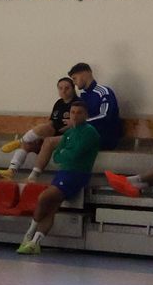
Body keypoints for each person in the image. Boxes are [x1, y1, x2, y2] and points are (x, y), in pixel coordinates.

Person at [15, 109, 102, 255]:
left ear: (86, 115)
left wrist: (65, 153)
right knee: (51, 208)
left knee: (44, 197)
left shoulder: (89, 132)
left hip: (76, 174)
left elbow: (75, 154)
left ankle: (29, 233)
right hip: (63, 173)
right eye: (72, 112)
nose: (75, 115)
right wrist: (65, 153)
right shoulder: (69, 133)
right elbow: (57, 156)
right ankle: (35, 242)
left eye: (79, 113)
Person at [0, 76, 75, 178]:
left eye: (67, 88)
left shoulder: (77, 104)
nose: (63, 91)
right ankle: (11, 171)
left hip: (67, 137)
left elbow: (81, 124)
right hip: (53, 133)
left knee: (47, 140)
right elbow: (51, 122)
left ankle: (32, 176)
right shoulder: (59, 103)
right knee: (28, 143)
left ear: (73, 88)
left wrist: (72, 124)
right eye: (60, 88)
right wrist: (39, 136)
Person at [70, 62, 124, 150]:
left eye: (74, 78)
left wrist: (82, 122)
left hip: (106, 136)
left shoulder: (103, 92)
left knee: (55, 142)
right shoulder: (83, 95)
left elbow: (105, 116)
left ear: (84, 75)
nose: (74, 83)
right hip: (87, 134)